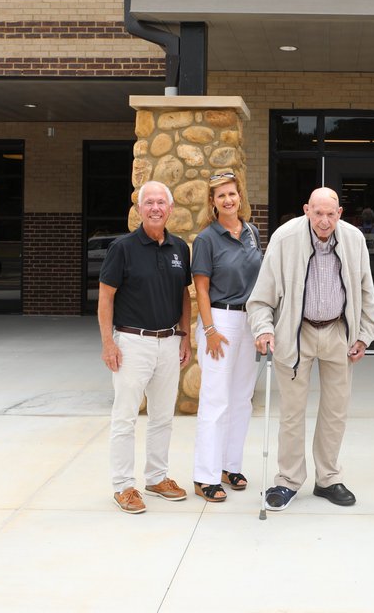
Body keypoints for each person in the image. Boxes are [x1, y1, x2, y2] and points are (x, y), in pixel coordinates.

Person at [247, 187, 374, 511]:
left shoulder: (353, 239)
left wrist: (364, 335)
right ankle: (288, 480)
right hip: (296, 332)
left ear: (339, 214)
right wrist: (264, 329)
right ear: (306, 210)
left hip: (337, 332)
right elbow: (261, 297)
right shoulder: (284, 238)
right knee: (292, 413)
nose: (324, 220)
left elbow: (366, 290)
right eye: (317, 213)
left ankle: (328, 479)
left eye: (330, 214)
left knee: (336, 411)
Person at [98, 180, 192, 514]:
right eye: (148, 202)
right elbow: (106, 296)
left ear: (170, 209)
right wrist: (108, 343)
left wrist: (186, 336)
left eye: (160, 203)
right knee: (124, 418)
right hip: (131, 343)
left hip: (168, 342)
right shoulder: (122, 248)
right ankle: (123, 486)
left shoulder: (180, 248)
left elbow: (184, 294)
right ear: (140, 209)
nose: (155, 208)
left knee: (163, 416)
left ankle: (156, 478)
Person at [191, 171, 263, 502]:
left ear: (240, 196)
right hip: (219, 320)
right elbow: (201, 290)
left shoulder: (252, 232)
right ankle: (205, 475)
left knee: (241, 399)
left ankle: (229, 465)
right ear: (212, 202)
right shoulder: (207, 239)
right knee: (215, 400)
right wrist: (210, 330)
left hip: (250, 321)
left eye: (232, 194)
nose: (228, 200)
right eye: (221, 196)